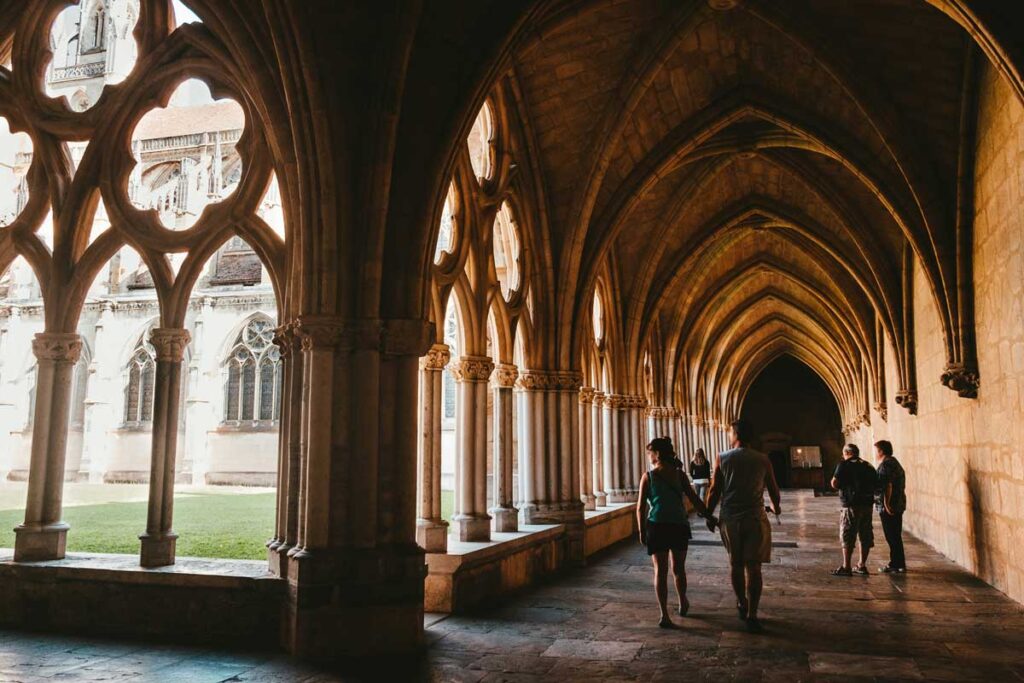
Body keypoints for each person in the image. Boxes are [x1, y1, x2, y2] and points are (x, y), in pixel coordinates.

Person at [703, 420, 781, 633]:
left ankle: (741, 602)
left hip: (730, 518)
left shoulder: (723, 457)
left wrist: (708, 515)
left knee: (736, 564)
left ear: (735, 434)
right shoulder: (763, 459)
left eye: (729, 431)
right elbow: (774, 490)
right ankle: (753, 613)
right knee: (754, 567)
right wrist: (776, 507)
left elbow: (714, 490)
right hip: (755, 518)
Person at [637, 436, 709, 628]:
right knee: (679, 569)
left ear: (657, 454)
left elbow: (640, 507)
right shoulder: (680, 475)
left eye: (650, 453)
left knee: (660, 571)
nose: (649, 456)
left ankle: (664, 615)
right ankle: (682, 600)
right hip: (678, 525)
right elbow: (694, 499)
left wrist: (641, 531)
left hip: (657, 525)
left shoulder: (648, 476)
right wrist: (709, 515)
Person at [830, 443, 878, 576]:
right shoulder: (868, 465)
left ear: (846, 453)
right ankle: (862, 565)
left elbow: (834, 483)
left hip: (851, 505)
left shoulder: (844, 465)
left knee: (847, 534)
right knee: (865, 534)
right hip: (867, 505)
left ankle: (846, 566)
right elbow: (876, 483)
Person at [874, 440, 907, 573]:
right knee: (895, 535)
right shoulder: (894, 462)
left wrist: (886, 505)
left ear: (881, 451)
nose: (876, 454)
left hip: (889, 506)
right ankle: (899, 563)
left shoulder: (886, 465)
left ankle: (895, 563)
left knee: (891, 535)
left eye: (877, 450)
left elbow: (887, 485)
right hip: (898, 503)